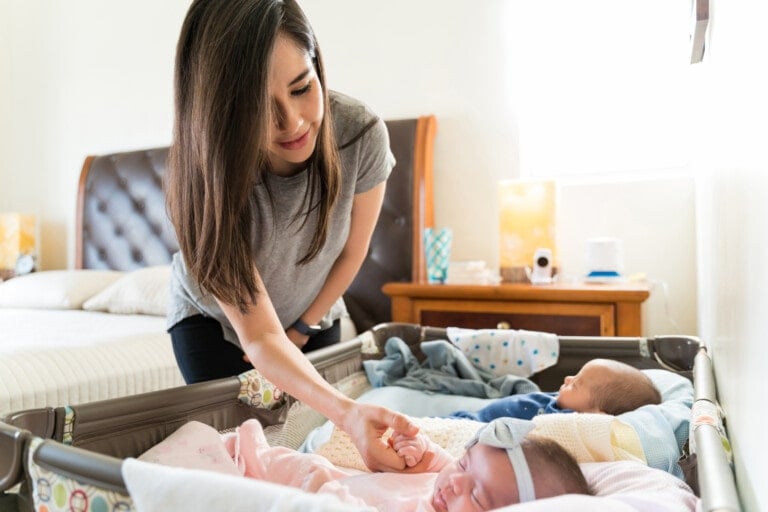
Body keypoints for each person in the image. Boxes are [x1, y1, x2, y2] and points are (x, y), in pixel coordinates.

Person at [164, 0, 415, 471]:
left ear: (317, 63)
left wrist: (303, 327)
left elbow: (352, 252)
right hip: (217, 327)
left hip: (315, 310)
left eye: (302, 88)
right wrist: (346, 410)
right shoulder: (201, 177)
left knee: (325, 448)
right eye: (260, 108)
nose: (293, 122)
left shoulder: (359, 134)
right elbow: (258, 335)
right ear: (221, 112)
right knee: (238, 462)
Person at [225, 417, 591, 511]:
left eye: (477, 497)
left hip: (322, 498)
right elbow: (440, 462)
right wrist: (417, 449)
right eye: (465, 464)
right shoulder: (449, 477)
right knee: (270, 457)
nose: (455, 483)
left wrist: (325, 492)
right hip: (317, 476)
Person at [450, 358, 662, 422]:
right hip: (472, 416)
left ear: (595, 413)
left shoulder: (564, 421)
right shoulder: (564, 401)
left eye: (575, 384)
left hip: (476, 426)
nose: (567, 378)